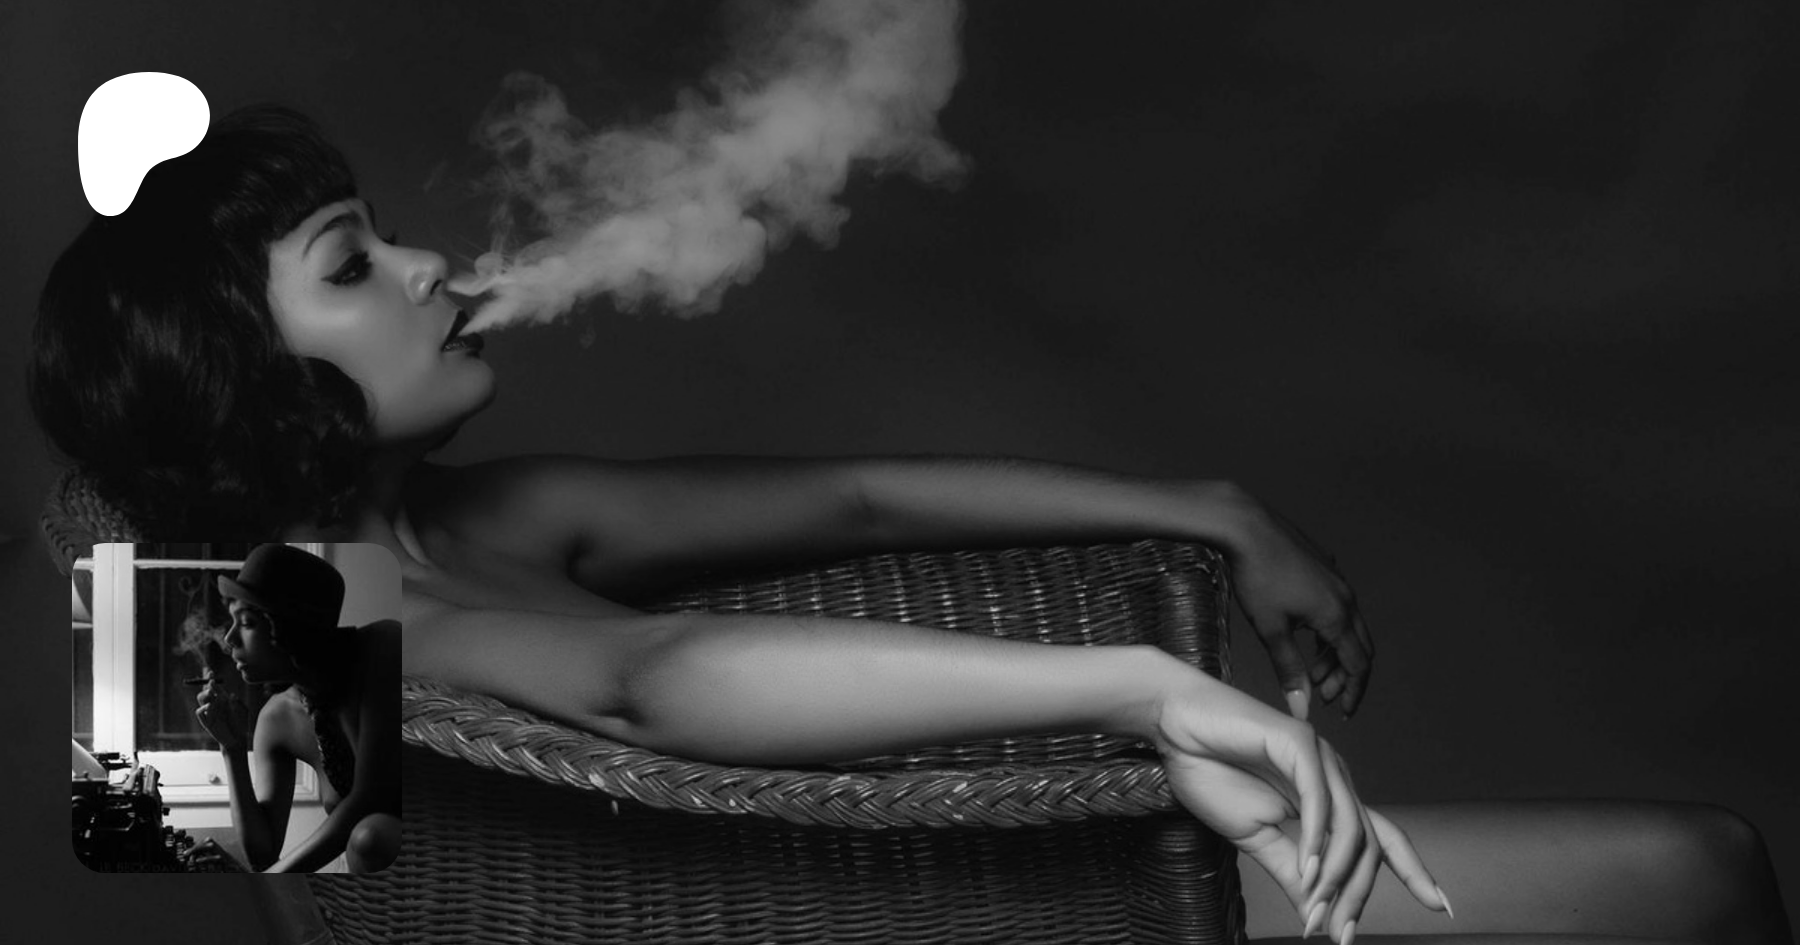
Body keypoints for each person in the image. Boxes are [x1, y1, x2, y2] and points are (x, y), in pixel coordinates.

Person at [29, 105, 1789, 943]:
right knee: (1699, 876)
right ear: (247, 376)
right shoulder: (321, 610)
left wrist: (1206, 510)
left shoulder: (486, 516)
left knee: (1704, 865)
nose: (427, 264)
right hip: (1013, 911)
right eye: (351, 264)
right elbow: (649, 681)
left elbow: (857, 496)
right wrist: (1144, 692)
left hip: (1013, 874)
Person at [189, 543, 401, 874]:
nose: (229, 639)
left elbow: (371, 798)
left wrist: (267, 882)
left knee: (372, 834)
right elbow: (262, 854)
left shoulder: (383, 646)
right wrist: (232, 749)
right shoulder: (277, 718)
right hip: (372, 889)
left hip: (441, 856)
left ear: (291, 628)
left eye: (247, 622)